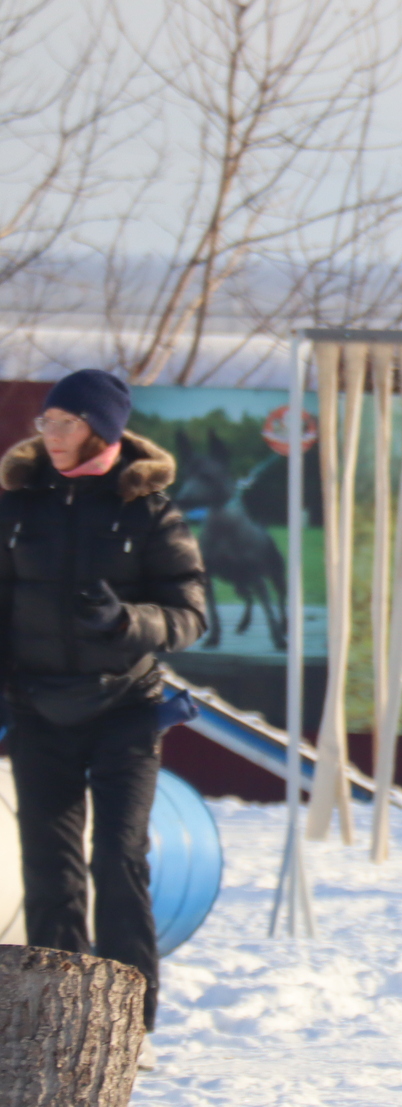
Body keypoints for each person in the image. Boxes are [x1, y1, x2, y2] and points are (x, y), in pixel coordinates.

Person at [0, 369, 208, 1064]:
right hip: (37, 707)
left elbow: (190, 614)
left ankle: (129, 1024)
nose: (47, 433)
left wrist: (128, 620)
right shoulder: (18, 504)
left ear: (100, 428)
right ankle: (61, 1022)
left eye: (63, 421)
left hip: (124, 707)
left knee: (118, 858)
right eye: (45, 422)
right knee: (49, 870)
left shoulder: (149, 510)